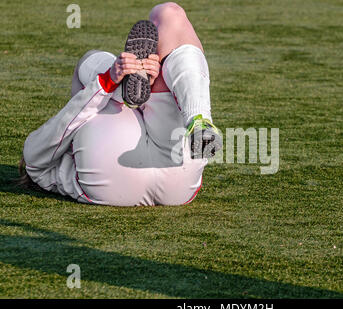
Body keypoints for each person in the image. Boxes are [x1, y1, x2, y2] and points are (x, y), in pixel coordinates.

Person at [20, 2, 222, 206]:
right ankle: (199, 119)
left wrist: (110, 82)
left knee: (167, 14)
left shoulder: (45, 173)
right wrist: (109, 80)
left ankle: (124, 82)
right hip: (176, 174)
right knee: (169, 15)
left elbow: (66, 128)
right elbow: (64, 124)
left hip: (125, 182)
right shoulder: (37, 167)